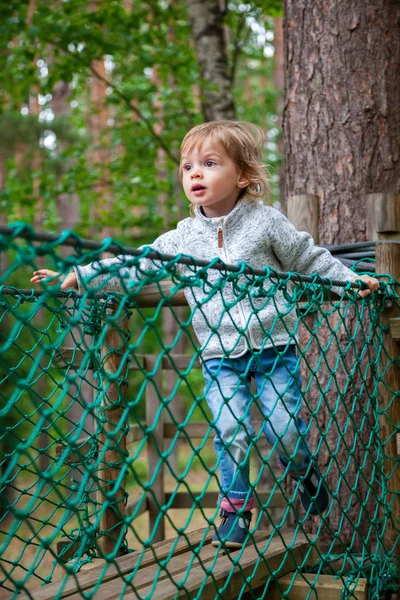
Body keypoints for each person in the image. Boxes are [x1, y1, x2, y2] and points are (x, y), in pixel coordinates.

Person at [31, 121, 379, 549]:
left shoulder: (267, 223)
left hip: (274, 347)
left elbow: (308, 259)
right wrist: (79, 277)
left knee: (284, 429)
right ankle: (235, 507)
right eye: (187, 166)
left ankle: (302, 471)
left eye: (210, 164)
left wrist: (348, 281)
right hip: (219, 354)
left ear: (244, 176)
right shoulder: (182, 238)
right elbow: (134, 266)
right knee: (230, 430)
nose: (195, 173)